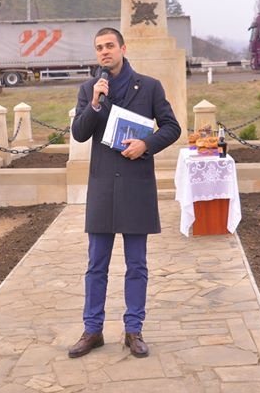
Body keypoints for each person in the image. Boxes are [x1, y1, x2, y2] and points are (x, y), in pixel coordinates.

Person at [67, 27, 181, 359]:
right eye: (99, 47)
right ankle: (92, 330)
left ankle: (134, 330)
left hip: (136, 185)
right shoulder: (90, 89)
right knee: (96, 265)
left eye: (109, 46)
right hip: (102, 187)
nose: (104, 51)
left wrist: (146, 144)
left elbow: (172, 127)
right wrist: (94, 104)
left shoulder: (149, 86)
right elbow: (79, 133)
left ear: (122, 48)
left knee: (137, 265)